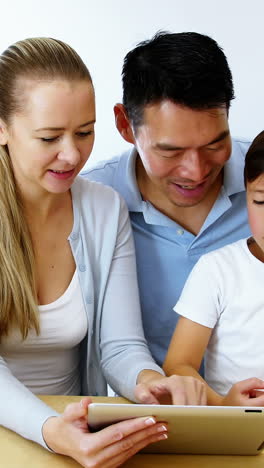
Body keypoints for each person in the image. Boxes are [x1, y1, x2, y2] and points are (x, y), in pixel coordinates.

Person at [0, 37, 206, 468]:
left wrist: (149, 382)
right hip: (46, 433)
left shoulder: (103, 207)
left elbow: (120, 346)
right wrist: (50, 429)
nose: (72, 154)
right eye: (49, 137)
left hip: (72, 435)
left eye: (85, 132)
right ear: (3, 128)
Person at [82, 31, 251, 367]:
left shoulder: (259, 181)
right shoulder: (89, 204)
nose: (196, 171)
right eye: (171, 151)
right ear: (125, 125)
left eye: (214, 144)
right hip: (145, 407)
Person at [163, 130, 264, 406]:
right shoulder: (218, 269)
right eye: (261, 202)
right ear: (246, 195)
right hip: (239, 430)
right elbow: (178, 364)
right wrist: (223, 405)